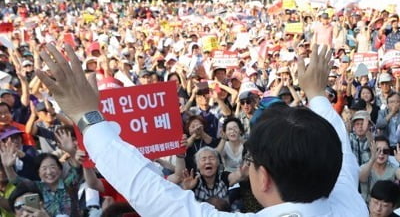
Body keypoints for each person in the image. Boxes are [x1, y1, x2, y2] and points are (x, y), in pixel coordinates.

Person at [36, 43, 368, 216]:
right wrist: (317, 95)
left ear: (263, 178)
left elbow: (149, 193)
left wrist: (84, 113)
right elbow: (340, 147)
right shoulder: (352, 205)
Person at [359, 136, 400, 202]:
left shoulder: (393, 168)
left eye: (385, 151)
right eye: (377, 150)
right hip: (366, 208)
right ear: (372, 150)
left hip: (386, 209)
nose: (381, 153)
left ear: (389, 153)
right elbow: (362, 178)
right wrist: (372, 159)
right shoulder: (365, 167)